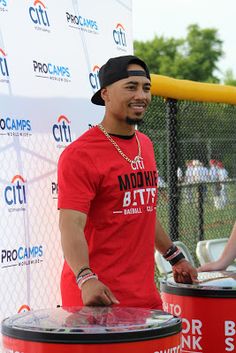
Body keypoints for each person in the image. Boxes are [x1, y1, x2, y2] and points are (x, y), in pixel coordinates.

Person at [58, 55, 198, 309]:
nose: (141, 95)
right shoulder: (80, 154)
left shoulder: (144, 144)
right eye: (131, 87)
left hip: (143, 293)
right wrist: (85, 278)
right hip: (98, 296)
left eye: (146, 88)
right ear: (106, 94)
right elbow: (70, 225)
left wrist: (175, 258)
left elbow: (143, 212)